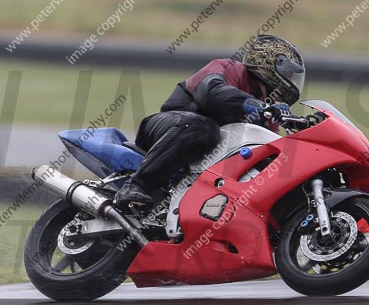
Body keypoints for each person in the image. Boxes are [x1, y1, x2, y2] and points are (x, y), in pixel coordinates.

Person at [114, 35, 305, 205]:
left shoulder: (269, 111)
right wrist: (256, 106)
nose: (291, 79)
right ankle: (137, 185)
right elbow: (212, 92)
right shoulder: (230, 69)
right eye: (288, 72)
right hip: (167, 130)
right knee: (203, 128)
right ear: (270, 62)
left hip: (205, 162)